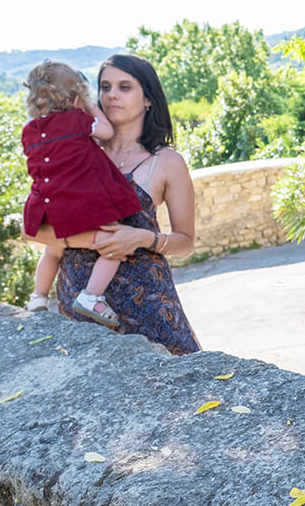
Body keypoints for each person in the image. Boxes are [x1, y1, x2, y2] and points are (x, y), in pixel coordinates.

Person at [23, 54, 201, 355]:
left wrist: (146, 238)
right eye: (105, 87)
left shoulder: (167, 162)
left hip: (148, 305)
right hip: (81, 307)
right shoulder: (72, 147)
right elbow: (34, 231)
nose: (111, 95)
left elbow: (185, 242)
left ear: (148, 99)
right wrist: (95, 240)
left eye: (124, 87)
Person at [21, 61, 142, 327]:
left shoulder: (29, 131)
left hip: (46, 207)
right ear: (76, 98)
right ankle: (92, 296)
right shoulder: (78, 120)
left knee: (51, 250)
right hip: (80, 205)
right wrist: (87, 105)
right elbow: (107, 132)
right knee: (113, 245)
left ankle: (38, 297)